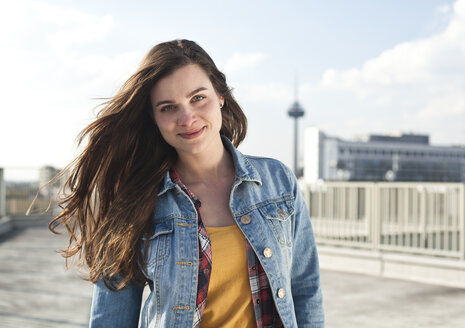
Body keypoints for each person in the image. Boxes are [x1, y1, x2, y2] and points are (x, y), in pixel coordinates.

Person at [50, 39, 324, 328]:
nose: (187, 118)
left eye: (198, 98)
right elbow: (111, 319)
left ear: (221, 95)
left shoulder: (277, 181)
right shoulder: (135, 201)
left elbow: (305, 289)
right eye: (168, 107)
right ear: (154, 118)